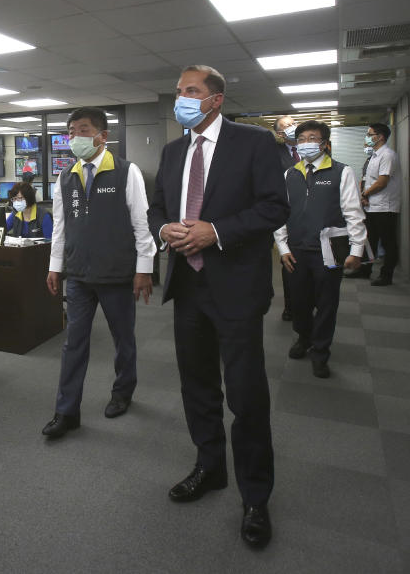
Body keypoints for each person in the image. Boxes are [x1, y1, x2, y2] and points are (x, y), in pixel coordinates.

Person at [147, 65, 289, 549]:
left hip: (236, 288)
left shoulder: (254, 144)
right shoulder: (171, 152)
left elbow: (275, 207)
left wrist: (217, 230)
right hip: (187, 286)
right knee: (197, 385)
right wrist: (165, 230)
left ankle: (255, 496)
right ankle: (209, 467)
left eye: (191, 91)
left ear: (216, 99)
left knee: (246, 395)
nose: (182, 98)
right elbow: (156, 208)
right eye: (178, 90)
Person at [42, 106, 156, 438]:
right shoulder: (65, 177)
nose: (76, 136)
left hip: (118, 275)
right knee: (73, 343)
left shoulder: (126, 172)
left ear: (102, 136)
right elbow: (60, 229)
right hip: (78, 276)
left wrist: (144, 269)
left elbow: (142, 224)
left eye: (83, 130)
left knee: (124, 339)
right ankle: (66, 412)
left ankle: (123, 392)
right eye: (72, 131)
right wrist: (55, 267)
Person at [273, 121, 366, 378]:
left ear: (324, 143)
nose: (305, 143)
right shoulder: (290, 174)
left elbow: (353, 213)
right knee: (299, 302)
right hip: (296, 250)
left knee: (326, 304)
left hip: (329, 249)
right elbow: (282, 214)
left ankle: (321, 351)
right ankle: (304, 338)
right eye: (301, 138)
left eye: (312, 138)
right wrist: (281, 246)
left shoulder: (341, 172)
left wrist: (357, 249)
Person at [361, 123, 402, 286]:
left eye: (370, 134)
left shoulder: (388, 155)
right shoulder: (374, 155)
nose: (367, 137)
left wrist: (365, 193)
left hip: (386, 207)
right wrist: (364, 196)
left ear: (380, 137)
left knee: (388, 242)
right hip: (372, 205)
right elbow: (368, 180)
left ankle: (387, 276)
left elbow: (382, 182)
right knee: (369, 240)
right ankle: (365, 270)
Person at [273, 115, 298, 320]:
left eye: (293, 123)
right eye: (287, 126)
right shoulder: (275, 153)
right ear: (280, 134)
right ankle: (291, 306)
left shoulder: (314, 148)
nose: (293, 127)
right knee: (289, 260)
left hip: (311, 214)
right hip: (286, 213)